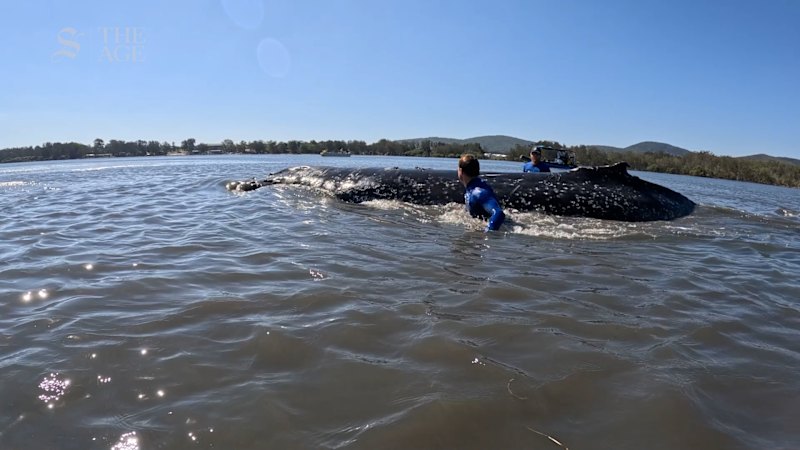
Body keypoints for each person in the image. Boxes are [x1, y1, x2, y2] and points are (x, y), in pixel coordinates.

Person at [457, 154, 505, 231]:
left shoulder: (478, 192)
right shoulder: (471, 188)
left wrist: (488, 232)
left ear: (461, 171)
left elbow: (499, 213)